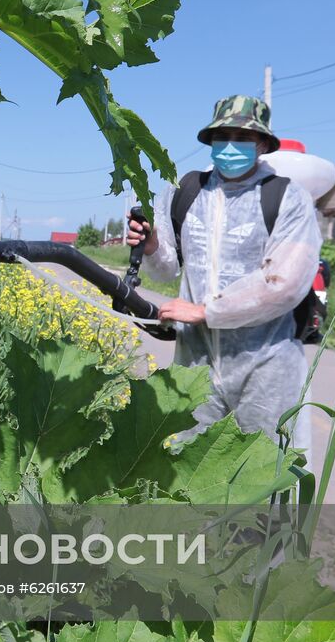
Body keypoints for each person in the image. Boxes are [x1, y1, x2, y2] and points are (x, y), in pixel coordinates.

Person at [126, 95, 322, 445]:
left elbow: (285, 284)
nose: (231, 146)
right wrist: (152, 244)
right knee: (190, 466)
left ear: (262, 144)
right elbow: (166, 270)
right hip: (196, 360)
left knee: (263, 469)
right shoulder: (185, 191)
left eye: (243, 138)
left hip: (267, 363)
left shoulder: (287, 198)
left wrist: (206, 311)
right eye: (223, 137)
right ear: (211, 141)